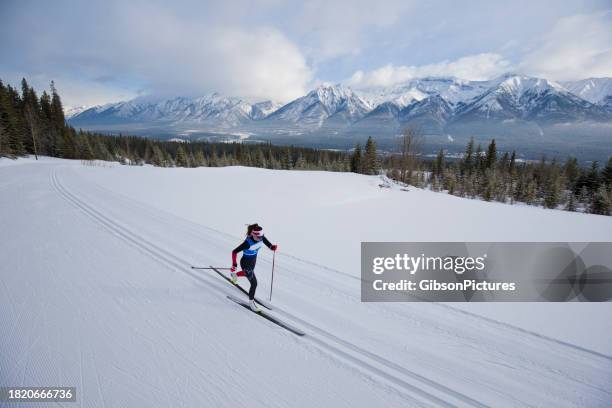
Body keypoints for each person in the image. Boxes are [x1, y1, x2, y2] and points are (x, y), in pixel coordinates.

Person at [231, 223, 278, 311]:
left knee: (247, 274)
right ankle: (251, 303)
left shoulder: (261, 237)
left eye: (262, 236)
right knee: (254, 283)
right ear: (253, 235)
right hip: (245, 263)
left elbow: (268, 244)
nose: (261, 238)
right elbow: (234, 252)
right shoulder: (247, 243)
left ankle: (235, 275)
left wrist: (272, 247)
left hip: (253, 262)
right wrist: (234, 264)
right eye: (259, 237)